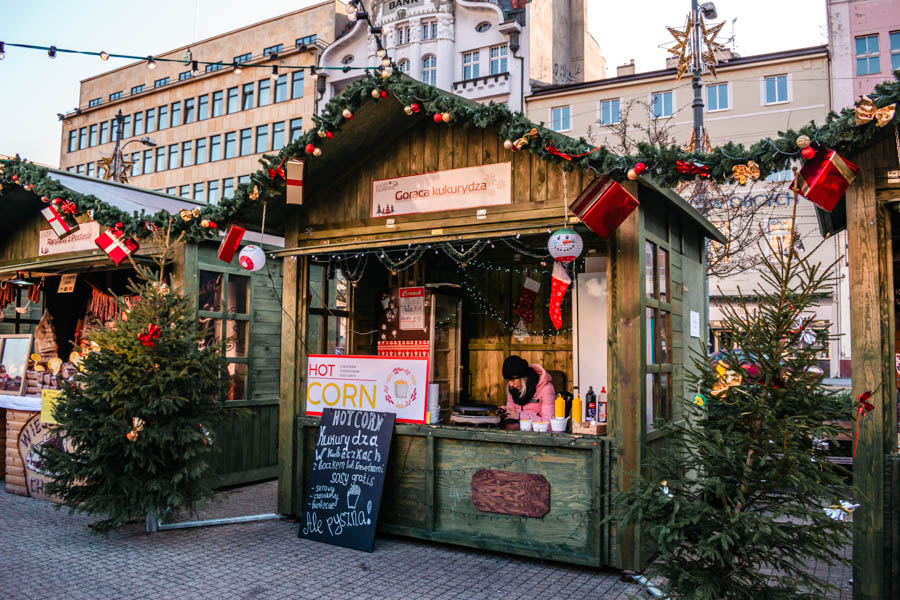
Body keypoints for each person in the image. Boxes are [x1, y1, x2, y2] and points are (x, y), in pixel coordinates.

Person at [497, 355, 556, 430]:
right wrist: (505, 413)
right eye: (508, 380)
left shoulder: (546, 389)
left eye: (512, 380)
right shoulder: (513, 389)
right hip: (517, 434)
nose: (510, 384)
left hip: (539, 436)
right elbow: (511, 416)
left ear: (523, 378)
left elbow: (550, 424)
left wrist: (520, 416)